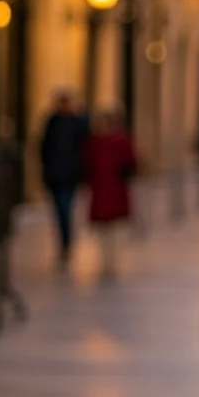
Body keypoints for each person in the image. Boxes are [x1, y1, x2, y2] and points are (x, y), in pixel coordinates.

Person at [83, 108, 138, 278]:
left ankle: (111, 261)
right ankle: (107, 261)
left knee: (112, 229)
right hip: (103, 189)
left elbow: (131, 162)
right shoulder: (95, 143)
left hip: (112, 189)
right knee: (105, 229)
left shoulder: (118, 141)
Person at [39, 91, 89, 270]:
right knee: (59, 210)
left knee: (65, 208)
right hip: (55, 175)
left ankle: (66, 242)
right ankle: (64, 241)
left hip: (70, 176)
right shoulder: (52, 123)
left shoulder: (78, 123)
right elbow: (43, 148)